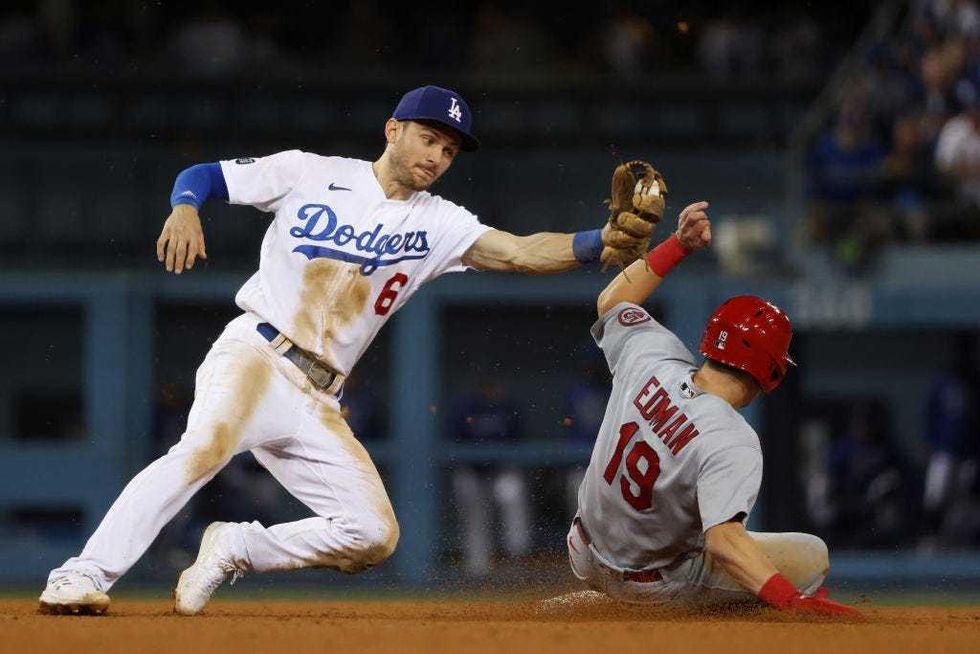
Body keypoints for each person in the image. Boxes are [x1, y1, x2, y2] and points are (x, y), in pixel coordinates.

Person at [38, 85, 648, 615]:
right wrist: (183, 208)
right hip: (258, 354)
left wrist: (598, 241)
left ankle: (237, 546)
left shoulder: (440, 222)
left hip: (319, 395)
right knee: (200, 450)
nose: (437, 155)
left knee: (372, 535)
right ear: (393, 129)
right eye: (428, 139)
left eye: (449, 149)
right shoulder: (308, 171)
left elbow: (518, 251)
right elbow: (203, 176)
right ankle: (82, 574)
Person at [563, 201, 862, 617]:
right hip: (651, 586)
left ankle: (603, 598)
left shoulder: (652, 355)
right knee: (812, 556)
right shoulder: (732, 439)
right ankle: (666, 621)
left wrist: (678, 245)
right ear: (771, 373)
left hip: (582, 549)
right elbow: (724, 541)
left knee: (697, 522)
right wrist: (789, 600)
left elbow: (610, 301)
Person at [448, 378, 530, 577]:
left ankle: (517, 560)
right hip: (473, 472)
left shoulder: (508, 407)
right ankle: (477, 569)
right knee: (475, 517)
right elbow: (453, 439)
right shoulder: (466, 407)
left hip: (503, 470)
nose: (491, 390)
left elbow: (520, 439)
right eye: (487, 386)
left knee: (512, 496)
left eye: (494, 385)